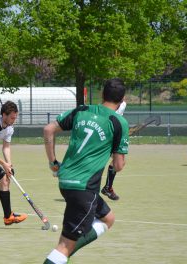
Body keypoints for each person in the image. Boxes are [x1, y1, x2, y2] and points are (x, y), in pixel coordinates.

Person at [43, 78, 129, 264]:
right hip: (84, 188)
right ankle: (61, 256)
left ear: (101, 94)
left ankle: (63, 256)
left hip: (66, 181)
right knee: (65, 246)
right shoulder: (119, 122)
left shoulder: (82, 110)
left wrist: (53, 163)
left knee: (108, 218)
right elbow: (119, 166)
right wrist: (117, 151)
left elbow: (49, 130)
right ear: (123, 99)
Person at [101, 100, 126, 200]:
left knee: (120, 161)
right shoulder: (116, 103)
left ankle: (108, 187)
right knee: (119, 162)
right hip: (108, 135)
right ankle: (107, 187)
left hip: (112, 134)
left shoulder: (122, 103)